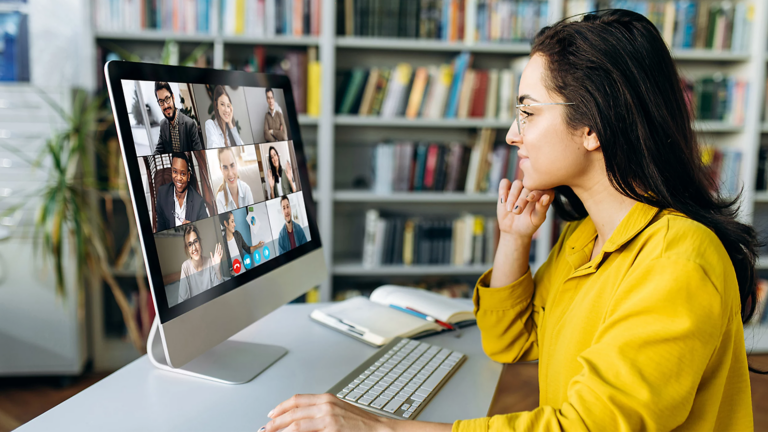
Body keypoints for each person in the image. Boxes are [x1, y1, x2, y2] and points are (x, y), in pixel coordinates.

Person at [259, 10, 759, 432]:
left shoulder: (678, 259)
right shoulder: (587, 237)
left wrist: (378, 424)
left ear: (592, 126)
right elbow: (508, 341)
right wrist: (514, 239)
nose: (511, 135)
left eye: (528, 112)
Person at [155, 153, 209, 232]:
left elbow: (206, 230)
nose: (178, 178)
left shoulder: (198, 202)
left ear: (188, 176)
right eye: (175, 172)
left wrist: (194, 229)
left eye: (183, 174)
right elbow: (161, 229)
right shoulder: (162, 194)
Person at [152, 82, 204, 155]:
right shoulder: (163, 125)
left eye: (167, 99)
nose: (165, 105)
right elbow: (159, 150)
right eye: (161, 101)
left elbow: (199, 154)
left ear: (173, 97)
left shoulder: (189, 124)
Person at [177, 224, 224, 304]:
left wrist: (217, 270)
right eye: (190, 244)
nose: (194, 248)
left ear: (199, 242)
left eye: (195, 241)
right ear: (187, 249)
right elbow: (182, 302)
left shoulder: (210, 262)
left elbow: (221, 293)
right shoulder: (185, 267)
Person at [219, 211, 265, 276]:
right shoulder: (222, 243)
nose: (234, 224)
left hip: (245, 272)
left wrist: (258, 245)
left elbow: (248, 249)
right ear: (226, 223)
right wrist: (230, 271)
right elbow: (223, 267)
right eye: (232, 221)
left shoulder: (237, 235)